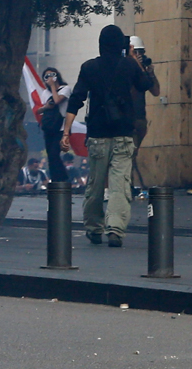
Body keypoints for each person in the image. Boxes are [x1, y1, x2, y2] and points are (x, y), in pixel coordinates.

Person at [61, 25, 153, 248]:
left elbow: (77, 99)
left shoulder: (89, 67)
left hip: (98, 134)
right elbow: (145, 84)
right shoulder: (129, 65)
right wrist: (134, 58)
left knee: (95, 183)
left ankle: (94, 227)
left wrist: (66, 132)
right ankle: (115, 229)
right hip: (123, 133)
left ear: (100, 44)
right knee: (120, 184)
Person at [128, 35, 161, 189]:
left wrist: (150, 73)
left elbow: (155, 91)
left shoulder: (142, 71)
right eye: (136, 52)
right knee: (127, 156)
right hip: (126, 120)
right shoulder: (124, 69)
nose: (139, 56)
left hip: (140, 118)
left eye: (141, 52)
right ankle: (125, 186)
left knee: (131, 154)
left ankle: (128, 186)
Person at [38, 67, 71, 182]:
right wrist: (46, 107)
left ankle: (63, 179)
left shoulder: (65, 89)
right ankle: (55, 179)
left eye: (51, 75)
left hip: (61, 127)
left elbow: (57, 101)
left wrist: (53, 86)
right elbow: (41, 109)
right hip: (49, 126)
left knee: (54, 153)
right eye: (46, 76)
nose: (50, 78)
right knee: (50, 156)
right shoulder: (44, 93)